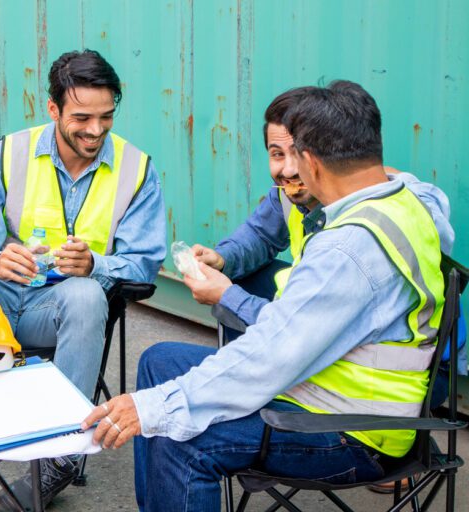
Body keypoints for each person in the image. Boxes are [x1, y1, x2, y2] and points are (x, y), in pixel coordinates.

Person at [82, 80, 446, 512]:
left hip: (355, 428)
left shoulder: (348, 249)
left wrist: (159, 407)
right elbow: (259, 245)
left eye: (293, 155)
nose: (287, 170)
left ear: (310, 160)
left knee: (181, 436)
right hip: (329, 383)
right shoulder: (401, 197)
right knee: (160, 361)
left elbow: (269, 356)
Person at [0, 49, 166, 511]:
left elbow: (144, 263)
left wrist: (97, 265)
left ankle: (61, 455)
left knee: (85, 294)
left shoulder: (136, 169)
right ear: (53, 109)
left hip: (59, 311)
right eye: (82, 117)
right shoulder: (8, 154)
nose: (95, 130)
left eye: (106, 117)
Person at [193, 87, 464, 416]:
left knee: (211, 321)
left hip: (407, 370)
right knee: (244, 277)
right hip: (335, 331)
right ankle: (251, 390)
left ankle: (270, 409)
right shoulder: (291, 193)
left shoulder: (362, 226)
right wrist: (223, 259)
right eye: (276, 154)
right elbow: (260, 235)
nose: (289, 170)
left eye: (298, 154)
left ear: (319, 156)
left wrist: (227, 296)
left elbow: (297, 332)